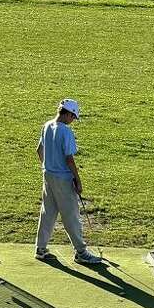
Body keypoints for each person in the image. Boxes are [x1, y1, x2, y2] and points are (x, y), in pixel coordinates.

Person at [35, 99, 105, 266]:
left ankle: (40, 248)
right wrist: (78, 180)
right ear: (67, 113)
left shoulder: (46, 126)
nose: (73, 120)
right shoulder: (65, 132)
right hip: (63, 179)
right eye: (73, 116)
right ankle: (81, 252)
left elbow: (39, 150)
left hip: (48, 175)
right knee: (71, 217)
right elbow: (69, 159)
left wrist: (48, 165)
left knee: (47, 213)